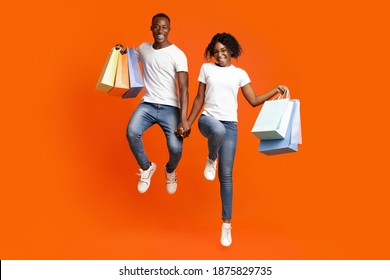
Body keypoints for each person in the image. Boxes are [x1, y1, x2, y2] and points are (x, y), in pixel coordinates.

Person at [183, 32, 288, 247]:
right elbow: (198, 98)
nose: (219, 55)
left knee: (226, 176)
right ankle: (212, 157)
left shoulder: (239, 74)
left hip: (231, 126)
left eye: (223, 51)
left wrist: (275, 90)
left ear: (231, 50)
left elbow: (253, 100)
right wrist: (188, 122)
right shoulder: (207, 69)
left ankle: (226, 225)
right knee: (217, 131)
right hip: (208, 120)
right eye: (216, 52)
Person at [115, 13, 190, 195]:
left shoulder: (178, 55)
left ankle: (170, 171)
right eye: (157, 26)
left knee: (175, 148)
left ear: (169, 30)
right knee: (132, 132)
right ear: (151, 28)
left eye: (164, 27)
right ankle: (146, 168)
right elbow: (131, 56)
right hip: (148, 104)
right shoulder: (144, 48)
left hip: (170, 107)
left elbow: (184, 88)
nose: (160, 30)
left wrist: (184, 119)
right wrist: (122, 50)